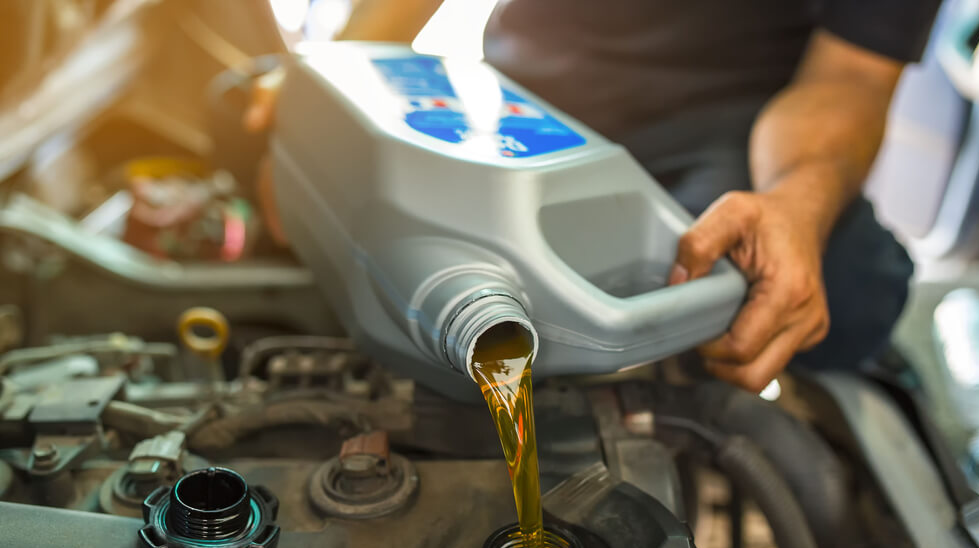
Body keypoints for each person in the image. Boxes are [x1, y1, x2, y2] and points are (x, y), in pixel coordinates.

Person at [247, 0, 942, 392]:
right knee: (241, 108)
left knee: (841, 287)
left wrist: (797, 203)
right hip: (525, 94)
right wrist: (318, 88)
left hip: (736, 117)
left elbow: (850, 76)